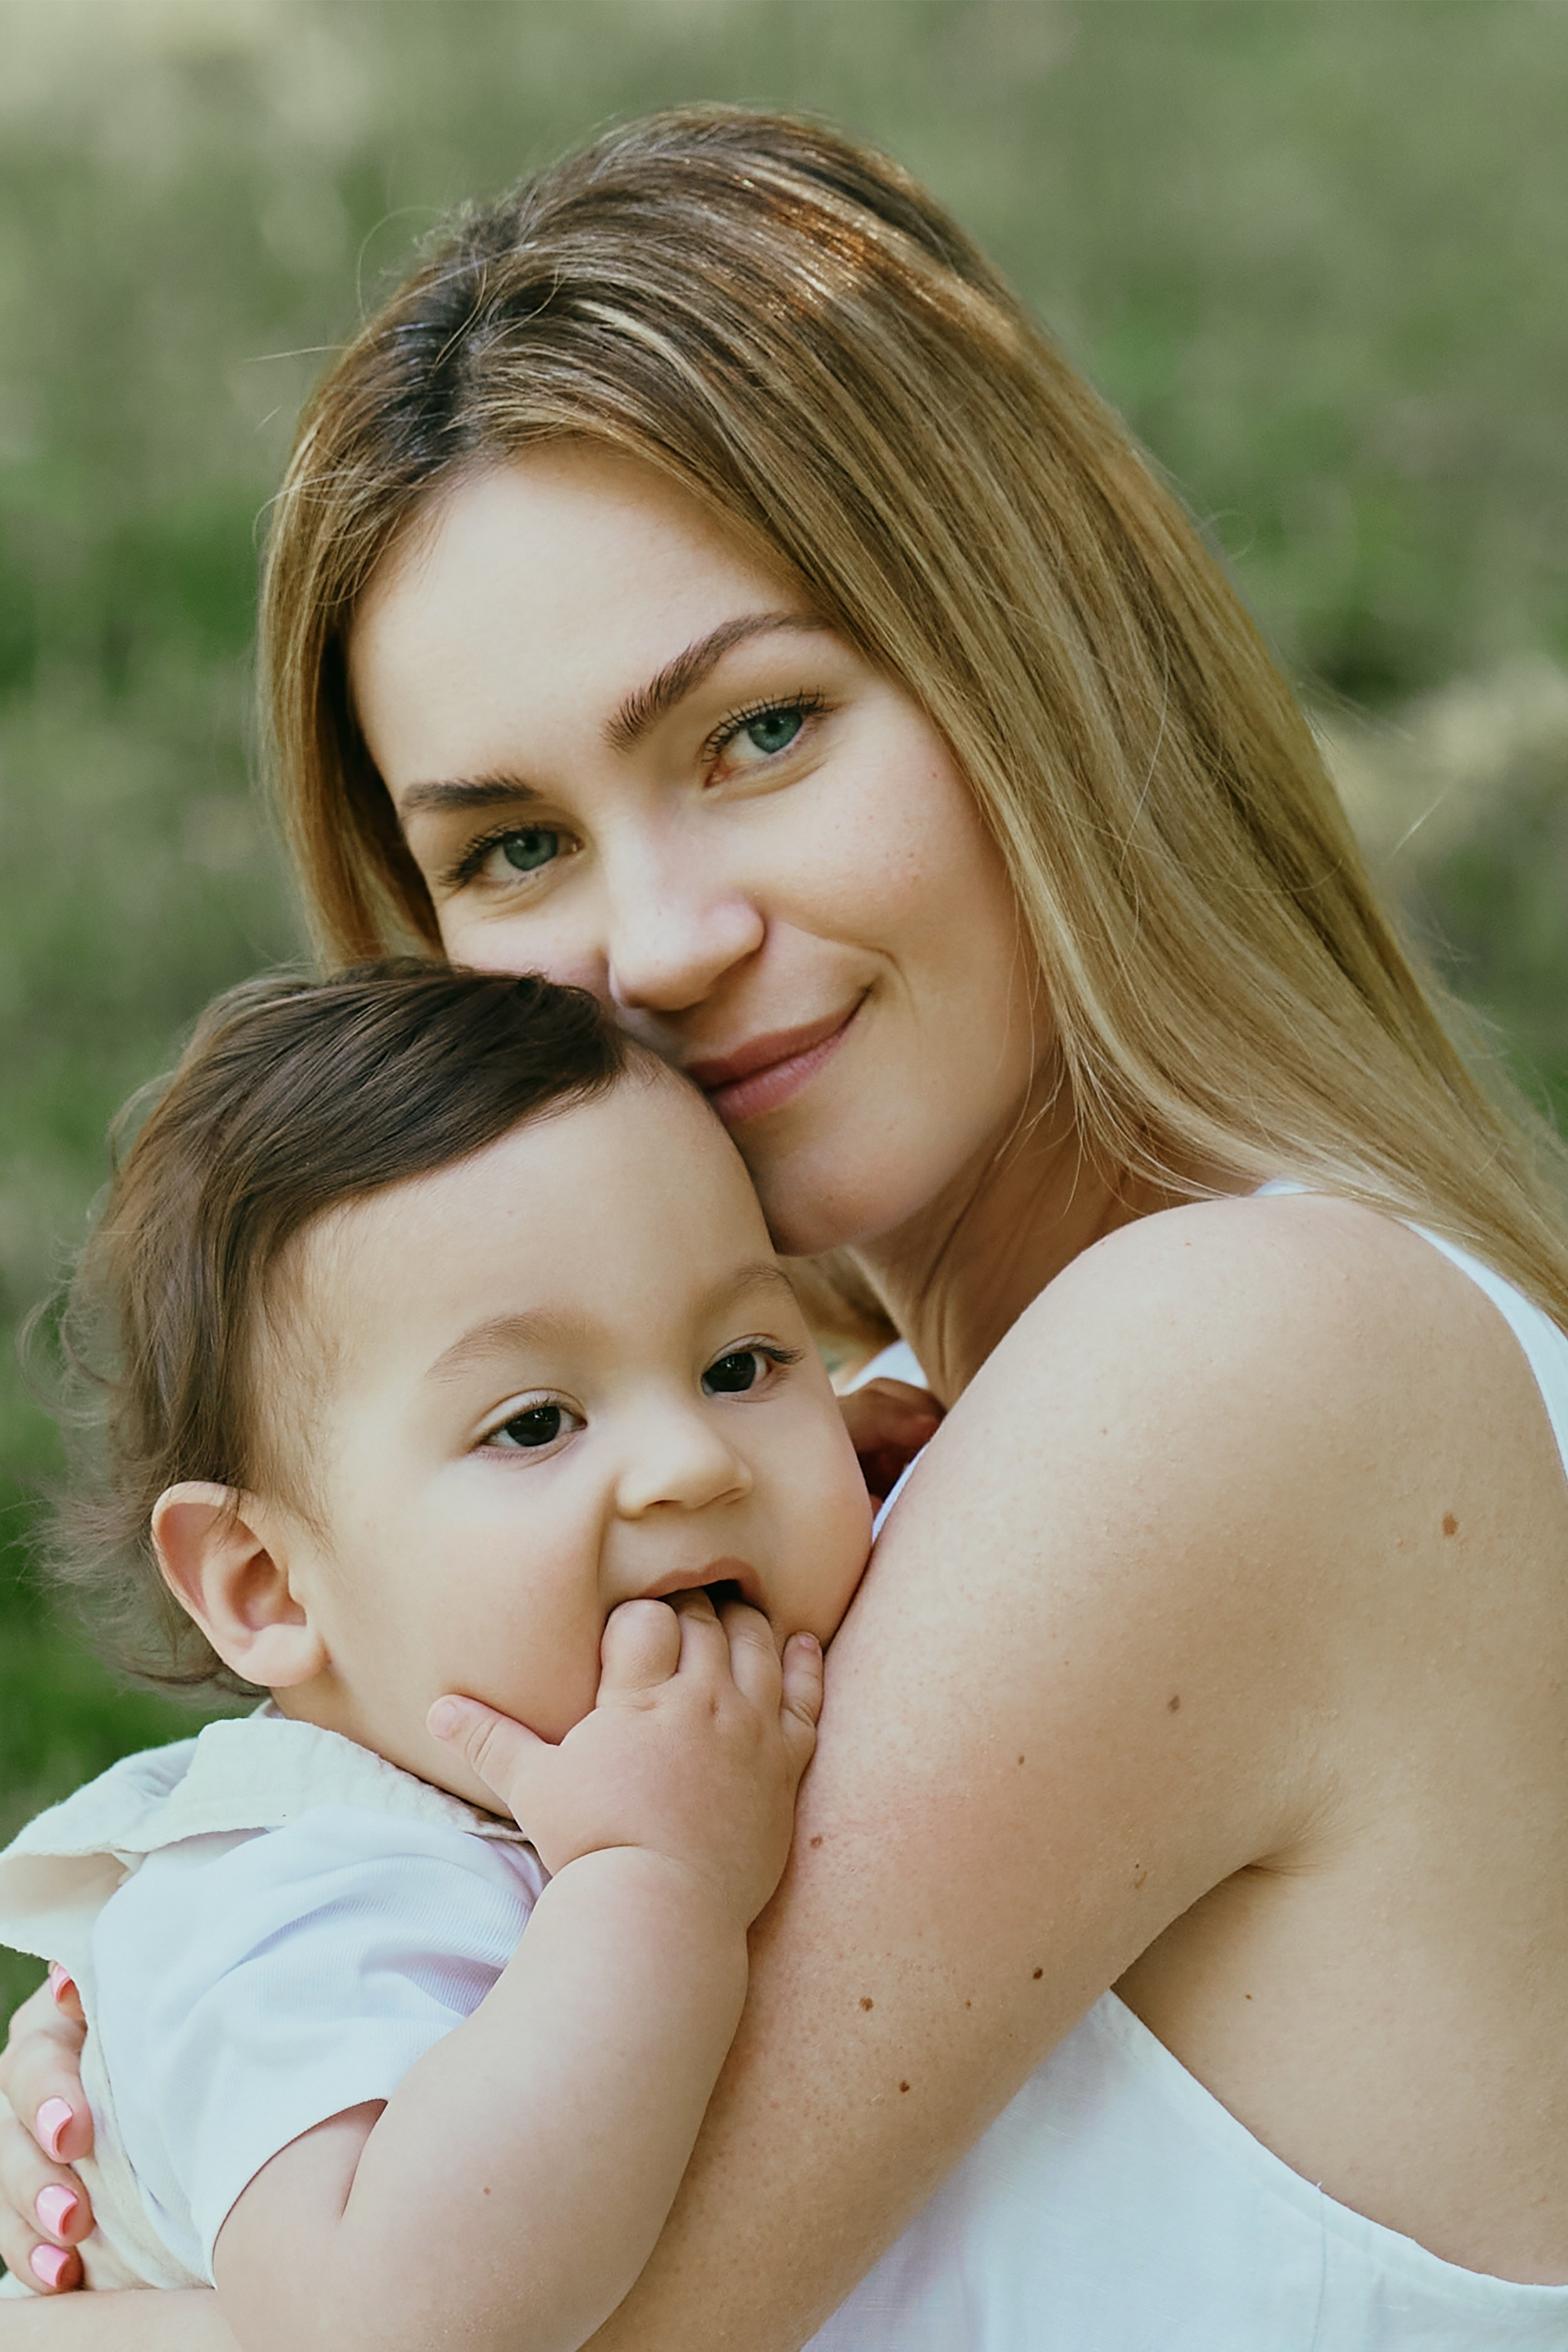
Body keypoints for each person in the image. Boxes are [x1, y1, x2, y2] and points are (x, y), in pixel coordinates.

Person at [4, 103, 1568, 2349]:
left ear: (1038, 667)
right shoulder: (823, 1483)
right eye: (514, 849)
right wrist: (214, 2066)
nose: (657, 940)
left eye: (757, 733)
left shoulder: (1245, 1356)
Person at [0, 962, 869, 2344]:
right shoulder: (294, 1909)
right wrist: (654, 1885)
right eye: (533, 1424)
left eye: (741, 1365)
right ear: (267, 1584)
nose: (693, 1463)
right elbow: (390, 2324)